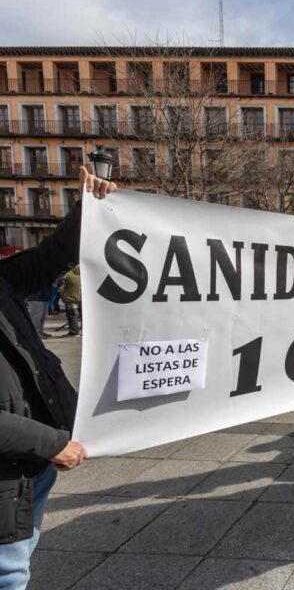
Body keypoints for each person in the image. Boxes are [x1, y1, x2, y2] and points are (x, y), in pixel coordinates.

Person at [0, 166, 114, 588]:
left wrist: (92, 210)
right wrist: (54, 443)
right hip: (14, 468)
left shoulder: (2, 281)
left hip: (29, 467)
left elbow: (50, 258)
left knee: (20, 558)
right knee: (9, 575)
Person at [60, 265, 81, 336]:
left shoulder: (67, 275)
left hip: (71, 299)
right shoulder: (84, 274)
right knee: (83, 316)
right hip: (82, 299)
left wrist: (63, 294)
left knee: (72, 315)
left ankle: (74, 332)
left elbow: (60, 286)